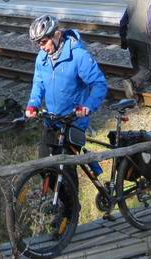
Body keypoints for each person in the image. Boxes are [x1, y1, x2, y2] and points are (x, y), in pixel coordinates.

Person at [24, 14, 109, 178]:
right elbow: (38, 83)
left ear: (56, 35)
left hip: (73, 121)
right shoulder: (42, 57)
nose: (41, 47)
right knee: (44, 164)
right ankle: (58, 201)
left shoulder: (79, 56)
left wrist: (88, 106)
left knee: (65, 171)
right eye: (38, 43)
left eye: (43, 42)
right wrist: (33, 104)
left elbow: (99, 84)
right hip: (52, 120)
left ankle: (72, 204)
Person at [118, 0, 151, 99]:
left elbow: (122, 23)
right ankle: (131, 82)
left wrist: (123, 39)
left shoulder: (131, 2)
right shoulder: (150, 3)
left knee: (137, 65)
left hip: (130, 39)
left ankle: (137, 89)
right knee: (147, 69)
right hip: (143, 39)